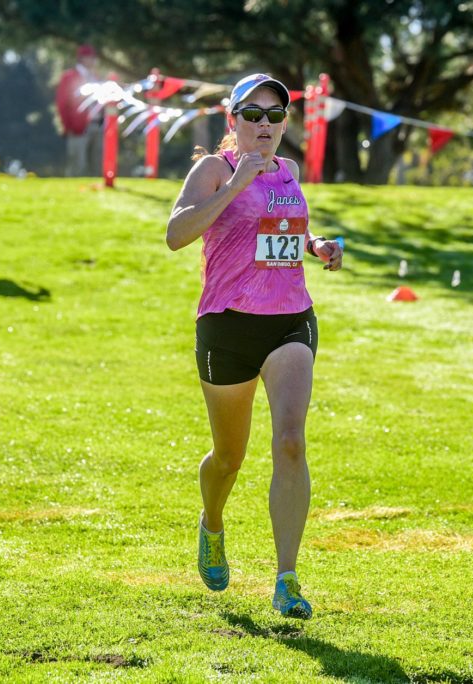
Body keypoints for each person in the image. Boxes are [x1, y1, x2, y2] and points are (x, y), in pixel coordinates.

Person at [166, 74, 343, 620]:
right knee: (229, 456)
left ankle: (286, 578)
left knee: (291, 442)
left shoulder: (289, 173)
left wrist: (315, 245)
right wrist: (236, 184)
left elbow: (281, 234)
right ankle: (212, 522)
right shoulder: (214, 169)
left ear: (286, 123)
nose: (264, 124)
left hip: (290, 320)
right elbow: (176, 234)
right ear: (233, 121)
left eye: (275, 114)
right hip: (228, 327)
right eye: (253, 114)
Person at [55, 44, 102, 177]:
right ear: (82, 59)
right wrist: (69, 126)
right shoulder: (70, 76)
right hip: (78, 128)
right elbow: (63, 103)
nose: (93, 60)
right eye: (90, 57)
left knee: (97, 166)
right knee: (77, 165)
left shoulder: (95, 77)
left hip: (97, 125)